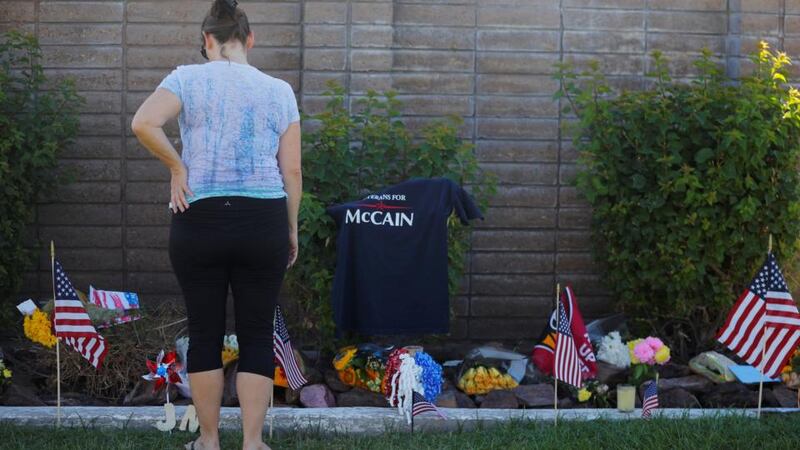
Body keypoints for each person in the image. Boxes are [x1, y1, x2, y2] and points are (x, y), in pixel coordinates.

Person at [131, 0, 301, 448]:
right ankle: (252, 443)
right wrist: (291, 227)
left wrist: (177, 167)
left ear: (207, 41)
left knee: (204, 328)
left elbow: (144, 123)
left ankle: (208, 442)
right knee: (257, 331)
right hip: (263, 219)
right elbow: (293, 173)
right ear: (249, 39)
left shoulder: (186, 78)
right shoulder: (280, 90)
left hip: (198, 219)